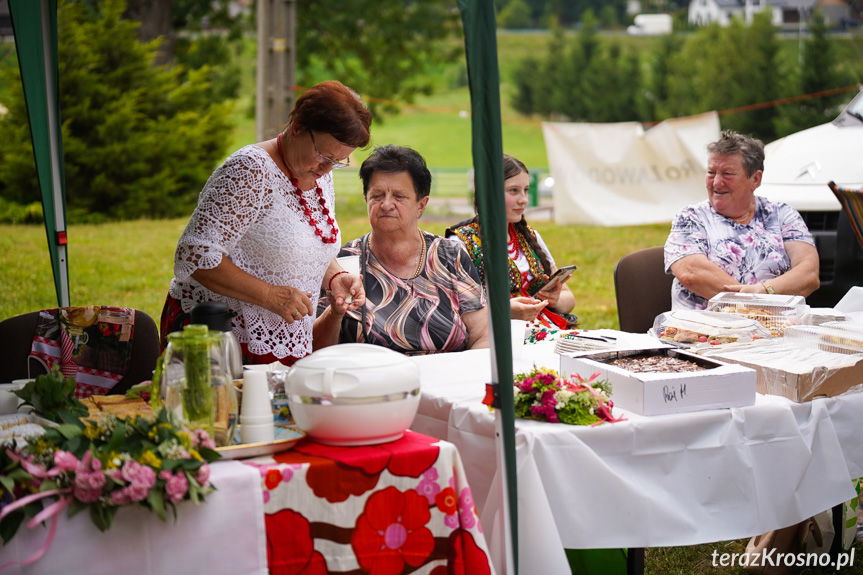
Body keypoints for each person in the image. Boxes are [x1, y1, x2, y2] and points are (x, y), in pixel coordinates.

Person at [161, 81, 371, 365]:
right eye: (324, 156)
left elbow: (307, 241)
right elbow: (195, 255)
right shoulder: (249, 170)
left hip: (281, 340)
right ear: (297, 127)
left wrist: (334, 276)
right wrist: (270, 295)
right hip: (222, 337)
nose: (326, 168)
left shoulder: (318, 173)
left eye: (338, 161)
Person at [314, 145, 489, 354]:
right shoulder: (342, 263)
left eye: (399, 196)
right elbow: (316, 349)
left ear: (421, 205)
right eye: (377, 195)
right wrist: (334, 313)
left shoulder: (450, 255)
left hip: (446, 380)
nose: (386, 204)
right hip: (369, 382)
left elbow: (482, 335)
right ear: (366, 200)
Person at [664, 130, 820, 310]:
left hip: (777, 330)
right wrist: (755, 307)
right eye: (711, 172)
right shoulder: (691, 218)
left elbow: (808, 274)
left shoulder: (782, 214)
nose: (716, 182)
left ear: (755, 178)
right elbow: (691, 273)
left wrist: (763, 291)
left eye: (727, 174)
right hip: (705, 330)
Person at [445, 154, 577, 327]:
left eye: (526, 190)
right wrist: (504, 311)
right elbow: (453, 308)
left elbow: (569, 299)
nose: (524, 199)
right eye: (514, 191)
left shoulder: (530, 237)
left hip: (545, 330)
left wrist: (554, 299)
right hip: (495, 339)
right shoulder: (460, 242)